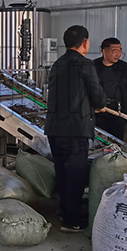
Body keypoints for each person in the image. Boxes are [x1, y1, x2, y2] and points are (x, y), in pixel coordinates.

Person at [44, 25, 106, 233]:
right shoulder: (85, 64)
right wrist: (99, 103)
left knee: (62, 171)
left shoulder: (58, 64)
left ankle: (63, 211)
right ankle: (71, 221)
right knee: (76, 174)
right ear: (85, 42)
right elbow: (98, 96)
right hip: (75, 129)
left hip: (55, 128)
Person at [93, 38, 127, 140]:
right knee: (98, 142)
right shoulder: (93, 66)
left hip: (118, 113)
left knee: (117, 141)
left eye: (120, 50)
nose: (118, 54)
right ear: (104, 51)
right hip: (97, 112)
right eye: (114, 51)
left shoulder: (125, 68)